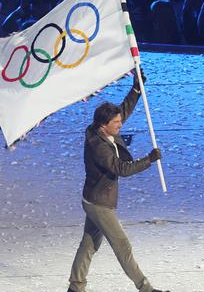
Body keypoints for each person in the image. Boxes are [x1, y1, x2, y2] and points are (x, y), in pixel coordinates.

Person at [67, 71, 168, 292]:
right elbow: (121, 169)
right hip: (99, 204)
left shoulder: (105, 130)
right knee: (122, 245)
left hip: (96, 199)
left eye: (120, 121)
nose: (120, 124)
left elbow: (124, 109)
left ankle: (75, 287)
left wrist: (136, 88)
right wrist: (148, 159)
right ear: (104, 125)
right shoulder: (98, 145)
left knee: (89, 244)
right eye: (116, 122)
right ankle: (146, 289)